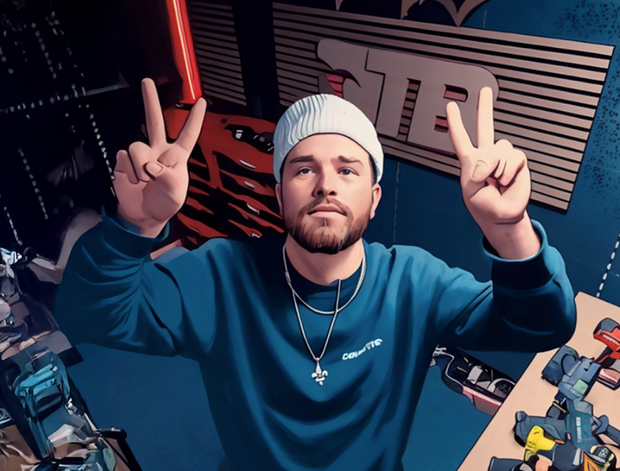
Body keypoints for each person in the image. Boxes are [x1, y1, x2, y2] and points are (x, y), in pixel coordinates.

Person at [53, 78, 576, 471]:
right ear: (279, 194)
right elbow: (89, 315)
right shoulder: (221, 274)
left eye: (347, 169)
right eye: (304, 168)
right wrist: (135, 225)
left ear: (373, 199)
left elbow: (543, 326)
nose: (326, 184)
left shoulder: (414, 282)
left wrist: (509, 229)